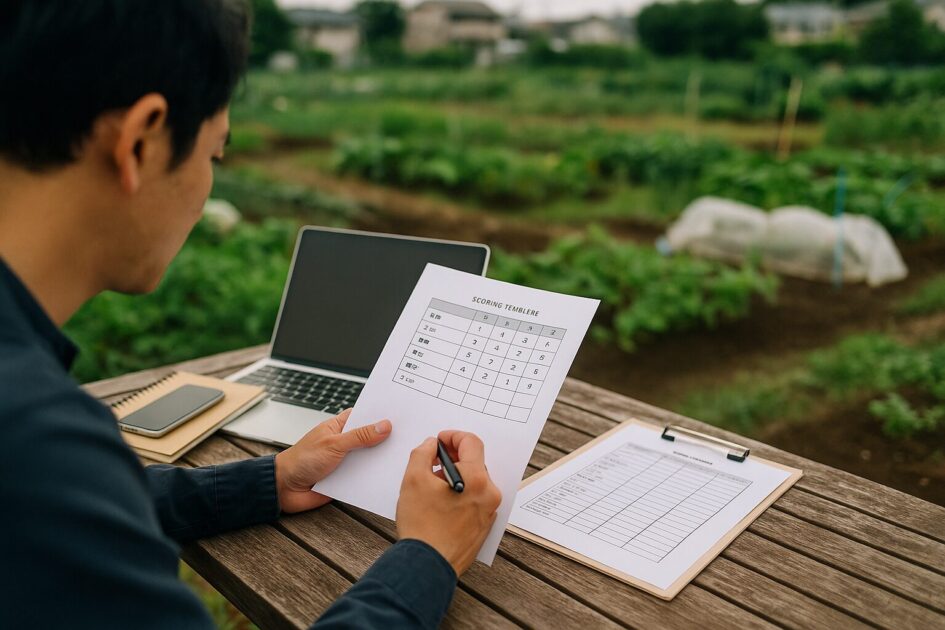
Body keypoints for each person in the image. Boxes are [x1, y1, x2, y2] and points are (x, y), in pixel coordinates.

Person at [0, 1, 502, 628]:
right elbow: (50, 491)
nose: (209, 183)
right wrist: (428, 554)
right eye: (214, 154)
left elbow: (65, 507)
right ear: (141, 141)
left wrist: (268, 481)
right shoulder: (35, 443)